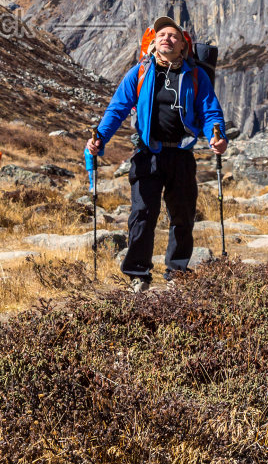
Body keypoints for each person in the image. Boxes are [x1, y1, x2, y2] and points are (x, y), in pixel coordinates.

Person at [86, 15, 231, 293]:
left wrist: (218, 136)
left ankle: (177, 272)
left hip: (181, 156)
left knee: (183, 216)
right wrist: (100, 139)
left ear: (182, 46)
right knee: (142, 214)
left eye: (173, 35)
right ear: (153, 43)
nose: (167, 38)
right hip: (147, 153)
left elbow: (211, 111)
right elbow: (117, 109)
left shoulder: (196, 75)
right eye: (161, 34)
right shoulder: (140, 72)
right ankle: (138, 274)